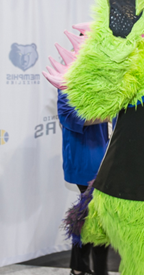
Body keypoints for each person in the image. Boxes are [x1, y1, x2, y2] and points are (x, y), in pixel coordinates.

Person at [57, 89, 110, 275]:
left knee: (90, 213)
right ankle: (94, 269)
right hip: (84, 157)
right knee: (96, 215)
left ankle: (79, 267)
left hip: (101, 155)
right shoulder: (67, 83)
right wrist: (109, 114)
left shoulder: (99, 80)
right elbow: (69, 116)